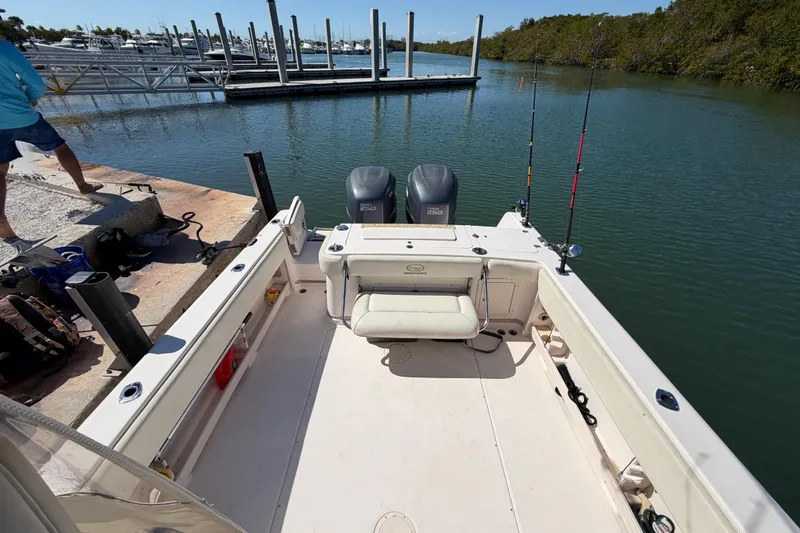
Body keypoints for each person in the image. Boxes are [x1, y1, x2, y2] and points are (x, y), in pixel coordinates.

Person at [0, 38, 102, 242]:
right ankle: (82, 185)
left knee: (0, 171)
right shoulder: (3, 47)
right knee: (60, 146)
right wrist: (31, 96)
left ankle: (3, 224)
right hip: (20, 115)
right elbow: (35, 82)